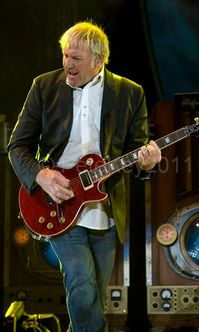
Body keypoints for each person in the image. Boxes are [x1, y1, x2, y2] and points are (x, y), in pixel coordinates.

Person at [7, 20, 161, 332]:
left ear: (99, 59)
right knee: (81, 283)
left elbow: (135, 150)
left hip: (103, 209)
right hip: (57, 201)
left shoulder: (130, 93)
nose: (67, 64)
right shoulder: (44, 86)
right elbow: (16, 146)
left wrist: (147, 162)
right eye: (65, 55)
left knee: (92, 295)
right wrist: (43, 176)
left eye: (75, 58)